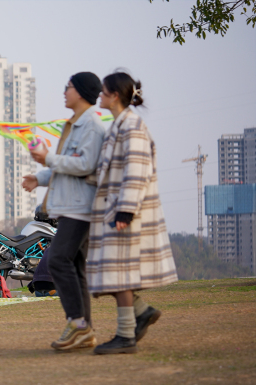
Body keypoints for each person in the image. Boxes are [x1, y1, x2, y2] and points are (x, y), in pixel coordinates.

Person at [88, 72, 177, 354]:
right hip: (115, 211)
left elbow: (137, 170)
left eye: (103, 92)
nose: (99, 97)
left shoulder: (132, 127)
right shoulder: (119, 125)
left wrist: (125, 211)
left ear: (114, 95)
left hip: (126, 215)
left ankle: (125, 336)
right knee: (111, 274)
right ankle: (141, 312)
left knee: (119, 274)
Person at [22, 72, 106, 350]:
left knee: (57, 260)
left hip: (79, 207)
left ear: (80, 92)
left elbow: (84, 165)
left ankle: (78, 323)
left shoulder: (91, 126)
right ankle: (85, 331)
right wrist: (41, 177)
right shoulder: (76, 125)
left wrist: (47, 158)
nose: (64, 92)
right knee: (76, 268)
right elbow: (68, 165)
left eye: (68, 87)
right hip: (73, 204)